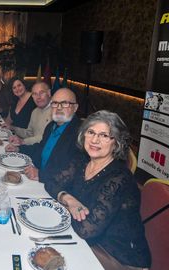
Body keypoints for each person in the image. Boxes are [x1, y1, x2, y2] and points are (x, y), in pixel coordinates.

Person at [46, 110, 151, 269]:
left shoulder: (119, 178)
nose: (95, 140)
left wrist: (63, 209)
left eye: (104, 135)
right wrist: (68, 199)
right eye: (91, 132)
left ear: (116, 142)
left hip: (119, 256)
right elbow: (51, 182)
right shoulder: (82, 160)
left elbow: (86, 229)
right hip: (89, 241)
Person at [5, 88, 81, 184]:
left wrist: (40, 174)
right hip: (38, 178)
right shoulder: (51, 126)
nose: (59, 107)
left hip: (56, 187)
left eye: (65, 103)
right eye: (55, 103)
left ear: (75, 107)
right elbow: (41, 148)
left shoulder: (80, 134)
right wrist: (19, 149)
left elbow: (74, 172)